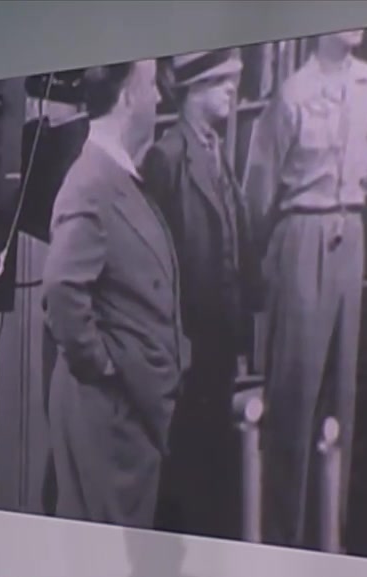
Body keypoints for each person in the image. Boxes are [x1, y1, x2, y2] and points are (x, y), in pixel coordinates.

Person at [243, 30, 367, 549]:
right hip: (301, 230)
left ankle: (330, 534)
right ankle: (284, 536)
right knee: (295, 394)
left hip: (352, 232)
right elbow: (258, 192)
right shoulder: (291, 95)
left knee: (341, 393)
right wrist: (265, 259)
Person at [41, 60, 188, 527]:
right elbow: (62, 289)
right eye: (151, 86)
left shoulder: (118, 177)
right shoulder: (91, 182)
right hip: (107, 420)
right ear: (127, 97)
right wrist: (104, 366)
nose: (159, 98)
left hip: (127, 420)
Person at [143, 50, 253, 540]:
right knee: (183, 476)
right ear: (194, 88)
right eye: (222, 81)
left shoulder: (216, 154)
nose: (232, 89)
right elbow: (154, 266)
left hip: (219, 348)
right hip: (185, 349)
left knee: (212, 472)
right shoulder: (166, 159)